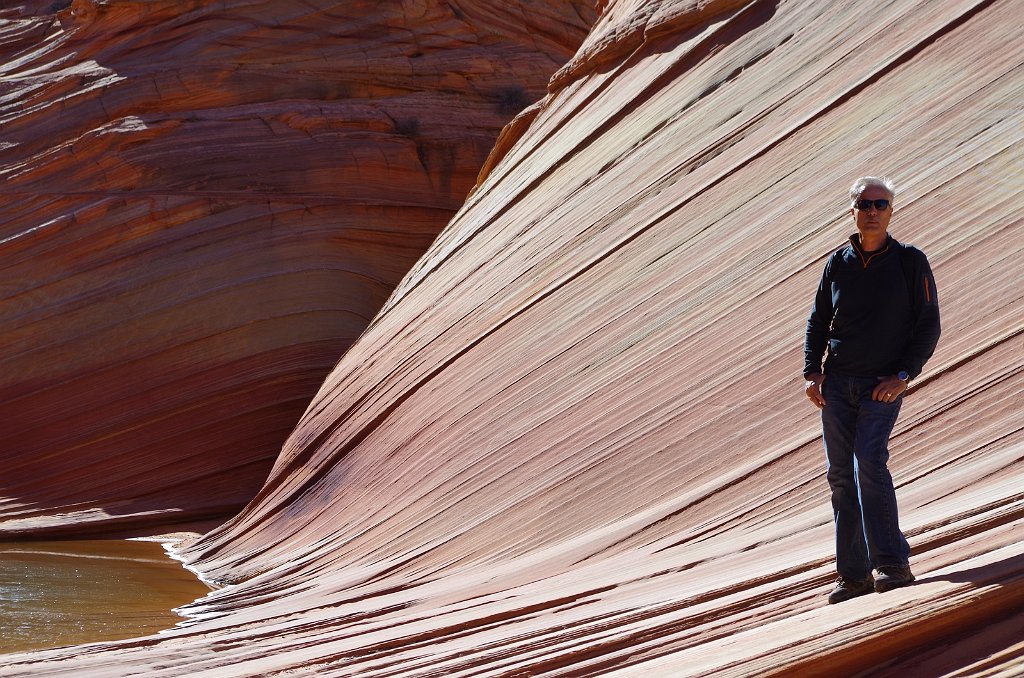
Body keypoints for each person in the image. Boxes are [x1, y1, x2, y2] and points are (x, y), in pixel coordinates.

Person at [803, 176, 941, 604]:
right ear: (853, 211)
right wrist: (812, 372)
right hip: (838, 384)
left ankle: (894, 564)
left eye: (881, 204)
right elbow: (817, 319)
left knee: (870, 462)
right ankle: (854, 576)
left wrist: (903, 376)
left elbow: (928, 325)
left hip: (881, 386)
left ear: (892, 211)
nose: (873, 210)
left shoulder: (910, 262)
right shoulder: (838, 262)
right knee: (841, 476)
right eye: (865, 204)